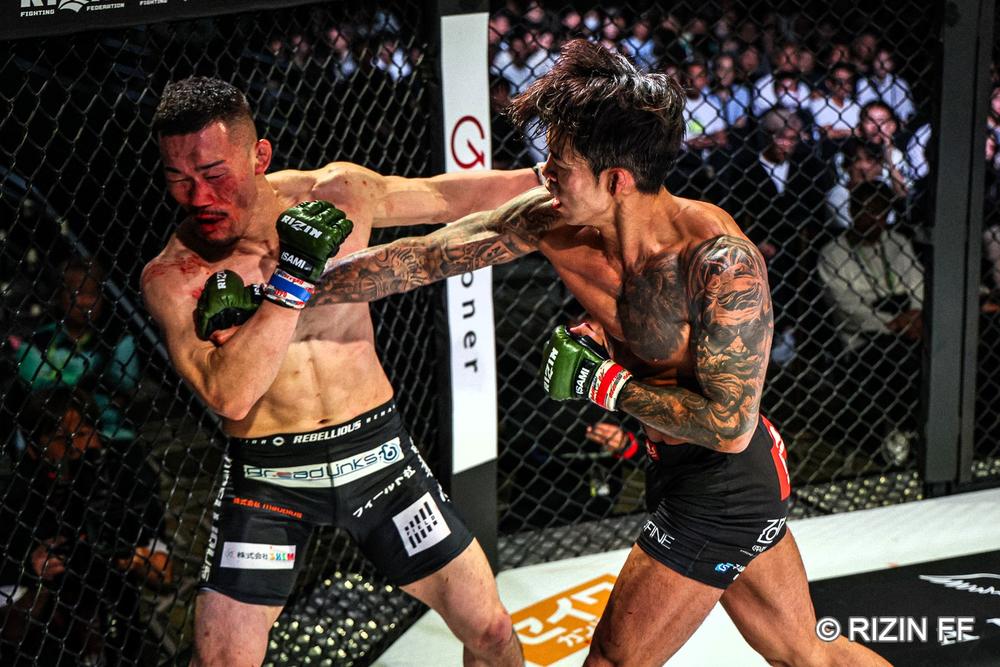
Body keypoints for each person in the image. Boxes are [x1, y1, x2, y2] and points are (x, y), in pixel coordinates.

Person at [314, 39, 890, 666]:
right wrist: (289, 287)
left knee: (613, 661)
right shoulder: (552, 222)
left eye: (560, 164)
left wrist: (605, 384)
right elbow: (425, 258)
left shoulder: (717, 261)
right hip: (677, 466)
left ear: (616, 180)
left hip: (724, 481)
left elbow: (728, 426)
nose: (544, 173)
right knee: (806, 655)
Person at [140, 76, 539, 666]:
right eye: (179, 179)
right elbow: (231, 395)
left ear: (259, 156)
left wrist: (552, 177)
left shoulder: (336, 193)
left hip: (378, 457)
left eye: (214, 173)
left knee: (491, 630)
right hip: (270, 478)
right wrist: (293, 277)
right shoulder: (175, 276)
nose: (198, 196)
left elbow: (446, 198)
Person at [0, 387, 170, 666]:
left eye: (82, 434)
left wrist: (124, 554)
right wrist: (36, 573)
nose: (74, 448)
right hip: (48, 644)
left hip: (119, 625)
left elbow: (164, 575)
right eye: (59, 438)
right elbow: (11, 631)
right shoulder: (15, 503)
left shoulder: (123, 480)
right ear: (33, 449)